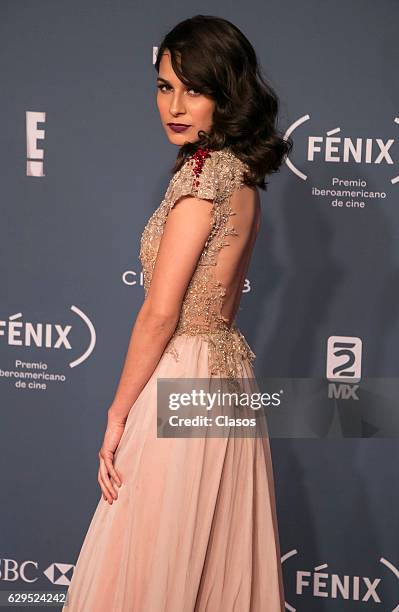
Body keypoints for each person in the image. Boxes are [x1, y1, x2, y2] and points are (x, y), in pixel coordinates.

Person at [62, 14, 292, 612]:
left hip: (183, 378)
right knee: (207, 564)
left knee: (151, 569)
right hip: (227, 383)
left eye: (195, 89)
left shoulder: (200, 186)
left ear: (228, 94)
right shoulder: (241, 177)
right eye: (166, 86)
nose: (176, 105)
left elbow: (161, 315)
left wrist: (117, 417)